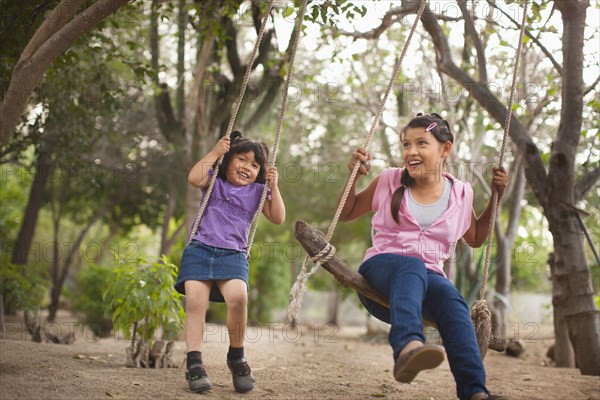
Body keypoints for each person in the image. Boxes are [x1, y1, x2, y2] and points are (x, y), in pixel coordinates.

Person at [338, 113, 509, 400]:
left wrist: (496, 196)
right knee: (412, 265)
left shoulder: (461, 193)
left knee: (453, 301)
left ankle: (475, 392)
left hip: (426, 282)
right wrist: (353, 175)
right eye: (406, 144)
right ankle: (406, 347)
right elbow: (346, 212)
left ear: (445, 149)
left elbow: (477, 237)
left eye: (421, 143)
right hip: (381, 274)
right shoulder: (390, 180)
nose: (411, 152)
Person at [175, 131, 285, 394]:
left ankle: (236, 356)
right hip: (200, 249)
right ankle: (194, 363)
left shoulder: (259, 192)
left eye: (255, 164)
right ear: (228, 160)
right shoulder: (214, 181)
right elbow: (193, 178)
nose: (247, 167)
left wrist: (274, 186)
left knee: (238, 298)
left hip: (233, 254)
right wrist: (215, 152)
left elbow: (279, 217)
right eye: (241, 159)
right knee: (195, 303)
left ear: (260, 171)